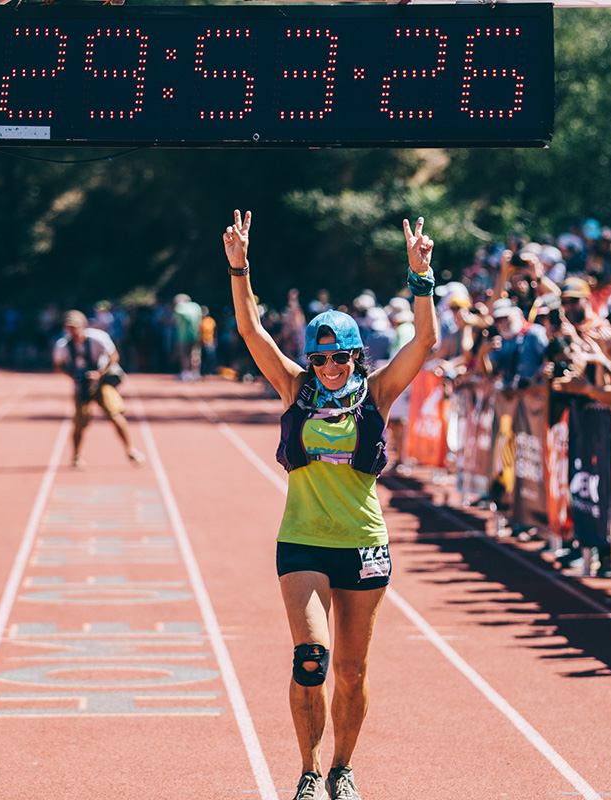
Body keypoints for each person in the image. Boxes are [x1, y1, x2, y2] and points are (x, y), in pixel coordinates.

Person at [223, 209, 439, 800]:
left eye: (337, 358)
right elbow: (251, 333)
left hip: (364, 546)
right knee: (312, 658)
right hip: (303, 542)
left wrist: (421, 277)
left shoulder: (379, 395)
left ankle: (344, 767)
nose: (328, 367)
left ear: (355, 355)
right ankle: (309, 772)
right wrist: (240, 266)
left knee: (351, 671)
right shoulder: (294, 388)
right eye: (319, 359)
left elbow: (425, 341)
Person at [52, 309, 144, 468]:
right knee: (80, 423)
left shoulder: (98, 338)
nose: (72, 330)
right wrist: (73, 376)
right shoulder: (63, 345)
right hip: (81, 386)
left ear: (84, 326)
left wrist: (100, 374)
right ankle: (76, 456)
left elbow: (114, 356)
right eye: (69, 327)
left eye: (75, 326)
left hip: (102, 381)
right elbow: (58, 365)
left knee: (115, 413)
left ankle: (131, 450)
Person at [172, 293, 203, 381]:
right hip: (196, 334)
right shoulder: (196, 306)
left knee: (184, 355)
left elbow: (174, 321)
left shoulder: (179, 308)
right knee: (196, 355)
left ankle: (185, 373)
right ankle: (196, 373)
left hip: (183, 336)